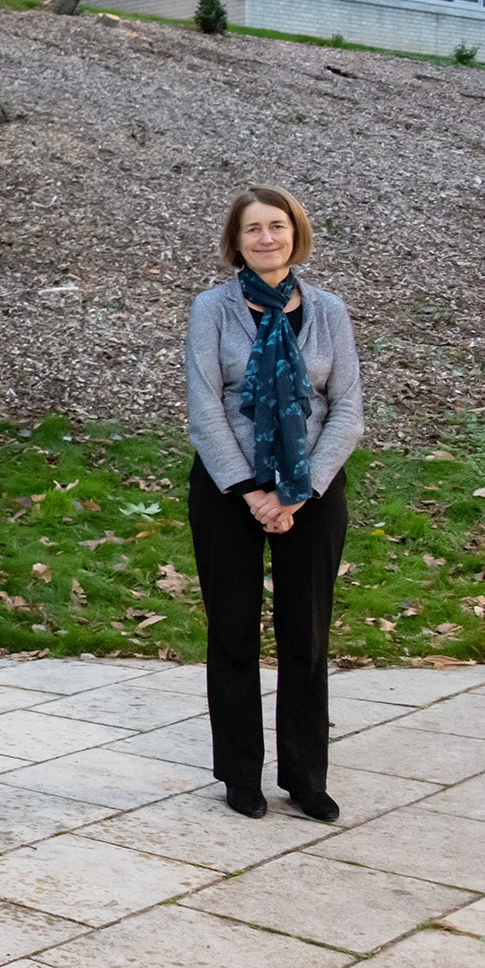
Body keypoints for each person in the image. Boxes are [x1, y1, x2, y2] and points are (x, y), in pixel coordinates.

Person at [186, 185, 362, 824]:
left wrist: (301, 488)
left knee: (306, 634)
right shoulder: (212, 309)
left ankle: (305, 778)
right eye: (253, 229)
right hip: (230, 489)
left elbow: (346, 409)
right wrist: (253, 490)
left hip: (312, 491)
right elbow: (205, 408)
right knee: (232, 631)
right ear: (236, 241)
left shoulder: (329, 312)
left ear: (296, 234)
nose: (266, 238)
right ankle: (240, 773)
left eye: (277, 227)